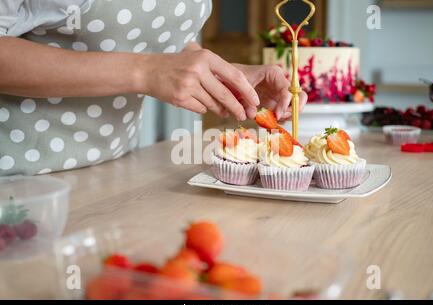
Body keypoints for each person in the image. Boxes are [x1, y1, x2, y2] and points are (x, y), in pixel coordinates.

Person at [0, 0, 307, 176]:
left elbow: (143, 36)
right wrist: (145, 71)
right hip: (17, 182)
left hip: (110, 173)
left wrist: (224, 76)